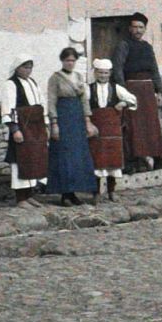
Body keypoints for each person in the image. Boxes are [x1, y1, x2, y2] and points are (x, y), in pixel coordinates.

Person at [109, 12, 162, 171]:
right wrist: (123, 92)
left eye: (141, 27)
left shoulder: (148, 47)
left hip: (148, 90)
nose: (138, 30)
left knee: (151, 125)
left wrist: (159, 92)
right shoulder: (124, 45)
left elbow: (154, 70)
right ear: (129, 28)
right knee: (134, 125)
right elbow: (118, 69)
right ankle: (135, 161)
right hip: (131, 88)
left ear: (145, 29)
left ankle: (157, 157)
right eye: (135, 27)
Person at [45, 46, 95, 207]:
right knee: (64, 156)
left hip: (77, 118)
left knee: (77, 156)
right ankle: (65, 194)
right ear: (62, 61)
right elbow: (51, 101)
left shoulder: (79, 77)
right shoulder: (55, 78)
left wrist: (87, 121)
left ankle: (75, 192)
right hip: (63, 117)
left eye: (73, 60)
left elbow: (84, 100)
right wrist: (54, 123)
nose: (70, 63)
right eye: (67, 60)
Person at [87, 58, 137, 200]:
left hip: (113, 130)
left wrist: (123, 103)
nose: (103, 76)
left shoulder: (116, 88)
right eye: (100, 73)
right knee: (97, 162)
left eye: (106, 73)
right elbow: (84, 105)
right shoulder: (89, 89)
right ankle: (95, 193)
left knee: (113, 162)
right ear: (95, 73)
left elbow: (133, 100)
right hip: (97, 130)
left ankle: (111, 191)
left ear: (110, 74)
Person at [3, 55, 50, 205]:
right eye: (25, 67)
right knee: (20, 160)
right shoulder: (11, 84)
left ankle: (29, 195)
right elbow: (8, 108)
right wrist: (14, 129)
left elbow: (41, 103)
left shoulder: (32, 82)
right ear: (17, 68)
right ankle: (20, 198)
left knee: (33, 159)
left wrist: (46, 124)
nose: (28, 70)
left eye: (30, 67)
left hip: (35, 126)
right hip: (22, 126)